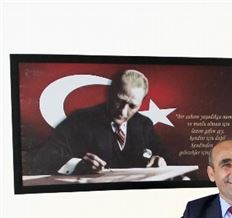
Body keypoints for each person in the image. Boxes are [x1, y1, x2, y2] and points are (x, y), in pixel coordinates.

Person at [26, 69, 167, 175]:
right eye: (119, 101)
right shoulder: (79, 120)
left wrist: (160, 160)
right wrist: (78, 165)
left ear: (141, 104)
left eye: (132, 106)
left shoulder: (144, 124)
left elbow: (167, 156)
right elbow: (45, 155)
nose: (123, 112)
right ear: (109, 94)